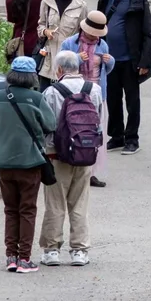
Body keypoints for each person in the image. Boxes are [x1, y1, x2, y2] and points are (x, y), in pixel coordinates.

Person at [0, 56, 56, 274]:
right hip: (30, 162)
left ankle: (11, 257)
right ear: (32, 76)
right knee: (27, 210)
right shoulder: (36, 97)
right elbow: (51, 124)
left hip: (4, 161)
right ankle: (25, 258)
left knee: (10, 210)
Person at [39, 50, 104, 267]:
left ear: (58, 69)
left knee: (55, 203)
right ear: (78, 67)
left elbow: (47, 126)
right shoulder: (93, 90)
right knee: (80, 203)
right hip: (85, 154)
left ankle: (52, 251)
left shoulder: (51, 92)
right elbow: (98, 120)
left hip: (57, 155)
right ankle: (79, 251)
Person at [98, 0, 151, 156]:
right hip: (109, 59)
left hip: (130, 59)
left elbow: (147, 31)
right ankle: (116, 137)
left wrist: (144, 61)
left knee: (132, 101)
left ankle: (132, 139)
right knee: (113, 99)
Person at [61, 11, 114, 187]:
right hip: (74, 92)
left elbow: (107, 71)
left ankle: (91, 172)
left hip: (97, 92)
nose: (94, 37)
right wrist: (76, 58)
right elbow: (61, 66)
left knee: (96, 132)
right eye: (92, 32)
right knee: (74, 129)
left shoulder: (103, 45)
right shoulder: (70, 43)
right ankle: (71, 165)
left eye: (98, 34)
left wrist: (109, 61)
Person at [37, 0, 87, 90]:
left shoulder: (81, 5)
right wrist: (45, 31)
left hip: (69, 61)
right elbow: (40, 26)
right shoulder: (47, 2)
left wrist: (79, 55)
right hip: (49, 60)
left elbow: (83, 34)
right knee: (46, 98)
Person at [6, 0, 47, 66]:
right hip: (38, 40)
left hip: (20, 42)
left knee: (20, 70)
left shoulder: (10, 1)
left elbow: (12, 20)